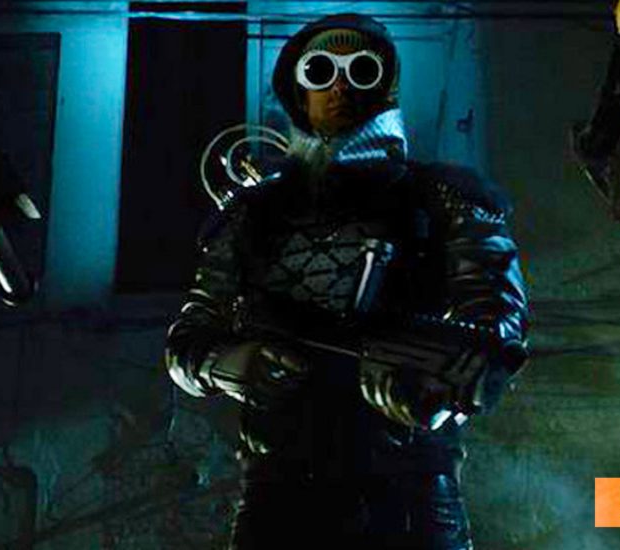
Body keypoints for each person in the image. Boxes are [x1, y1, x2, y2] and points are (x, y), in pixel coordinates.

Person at [165, 13, 529, 549]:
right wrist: (231, 363)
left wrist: (437, 385)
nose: (339, 86)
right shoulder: (251, 214)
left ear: (386, 87)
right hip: (280, 491)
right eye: (321, 71)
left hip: (408, 488)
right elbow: (189, 339)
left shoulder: (445, 198)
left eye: (361, 70)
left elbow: (500, 327)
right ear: (299, 90)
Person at [572, 0, 620, 224]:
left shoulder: (598, 157)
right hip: (607, 125)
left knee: (617, 88)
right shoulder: (600, 160)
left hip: (603, 134)